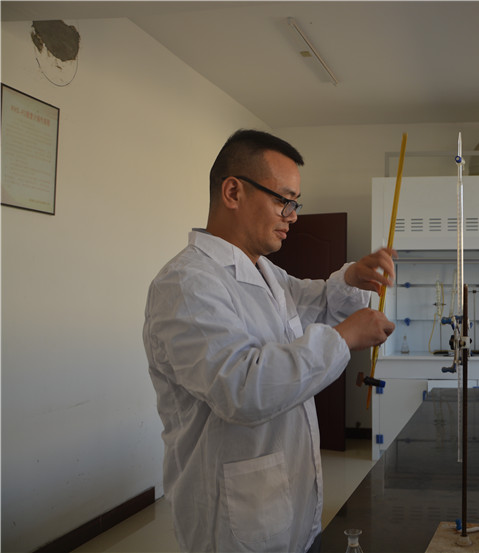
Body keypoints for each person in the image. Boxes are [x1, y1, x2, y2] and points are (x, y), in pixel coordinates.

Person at [143, 129, 396, 552]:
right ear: (233, 192)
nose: (292, 216)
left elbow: (316, 302)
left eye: (295, 203)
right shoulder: (186, 284)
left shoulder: (265, 272)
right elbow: (242, 389)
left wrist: (352, 278)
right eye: (283, 200)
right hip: (231, 517)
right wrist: (344, 339)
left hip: (288, 502)